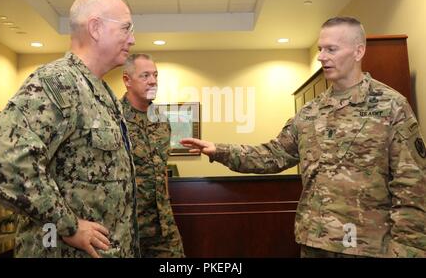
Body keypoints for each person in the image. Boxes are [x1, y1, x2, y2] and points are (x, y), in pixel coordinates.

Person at [181, 17, 426, 258]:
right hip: (315, 243)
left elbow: (412, 185)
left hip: (370, 247)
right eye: (320, 49)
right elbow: (273, 155)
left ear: (358, 51)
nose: (321, 56)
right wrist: (218, 150)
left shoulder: (390, 105)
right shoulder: (310, 112)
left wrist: (407, 250)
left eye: (331, 49)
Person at [0, 0, 139, 258]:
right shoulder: (58, 82)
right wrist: (69, 226)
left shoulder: (103, 92)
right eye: (126, 28)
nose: (132, 39)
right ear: (96, 28)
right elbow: (1, 162)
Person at [121, 53, 185, 257]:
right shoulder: (113, 118)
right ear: (127, 80)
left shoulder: (161, 120)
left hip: (162, 225)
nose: (153, 81)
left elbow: (162, 168)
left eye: (155, 75)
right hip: (126, 226)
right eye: (145, 75)